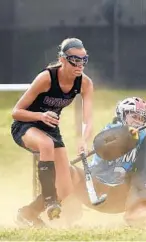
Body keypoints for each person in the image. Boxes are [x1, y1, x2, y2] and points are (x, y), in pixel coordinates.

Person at [16, 97, 146, 227]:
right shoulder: (110, 131)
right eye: (133, 116)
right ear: (122, 115)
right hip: (95, 187)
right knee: (67, 171)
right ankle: (33, 212)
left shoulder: (145, 139)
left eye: (141, 118)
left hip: (125, 194)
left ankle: (144, 211)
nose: (138, 121)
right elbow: (105, 146)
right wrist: (125, 138)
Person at [11, 38, 94, 221]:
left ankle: (28, 214)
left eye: (83, 59)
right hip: (26, 124)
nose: (80, 65)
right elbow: (16, 112)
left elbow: (88, 120)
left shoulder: (85, 83)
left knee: (65, 189)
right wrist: (40, 116)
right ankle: (50, 201)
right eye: (74, 60)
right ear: (62, 59)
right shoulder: (47, 78)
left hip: (50, 129)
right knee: (46, 144)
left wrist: (83, 139)